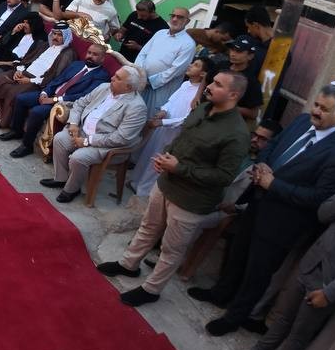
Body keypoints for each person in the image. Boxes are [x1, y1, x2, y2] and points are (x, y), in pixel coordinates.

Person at [190, 86, 335, 337]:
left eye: (324, 109)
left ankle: (234, 317)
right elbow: (272, 145)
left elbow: (318, 197)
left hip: (283, 222)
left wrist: (273, 184)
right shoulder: (301, 121)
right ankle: (220, 294)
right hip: (258, 203)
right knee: (237, 253)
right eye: (316, 104)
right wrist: (262, 164)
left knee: (257, 272)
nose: (316, 111)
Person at [224, 145, 335, 350]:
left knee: (299, 334)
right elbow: (323, 214)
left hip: (331, 281)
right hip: (310, 262)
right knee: (283, 317)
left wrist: (330, 293)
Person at [96, 70, 250, 306]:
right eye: (212, 81)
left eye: (218, 84)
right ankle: (128, 264)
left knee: (171, 248)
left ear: (233, 95)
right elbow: (182, 138)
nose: (209, 86)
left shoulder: (236, 133)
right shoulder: (202, 108)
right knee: (148, 228)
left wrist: (179, 168)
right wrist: (167, 157)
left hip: (191, 199)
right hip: (166, 183)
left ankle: (152, 289)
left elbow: (224, 176)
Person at [40, 65, 149, 203]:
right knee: (60, 139)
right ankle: (61, 178)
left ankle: (72, 189)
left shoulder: (137, 107)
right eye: (114, 75)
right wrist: (73, 124)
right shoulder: (104, 87)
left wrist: (87, 141)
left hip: (105, 145)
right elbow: (80, 103)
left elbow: (121, 138)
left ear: (128, 87)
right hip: (81, 131)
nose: (112, 78)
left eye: (117, 78)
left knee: (78, 158)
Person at [1, 43, 111, 158]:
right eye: (89, 53)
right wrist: (44, 93)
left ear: (102, 59)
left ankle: (26, 146)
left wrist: (54, 99)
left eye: (95, 55)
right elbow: (58, 80)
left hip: (64, 103)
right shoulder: (77, 65)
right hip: (51, 94)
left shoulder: (102, 76)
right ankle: (16, 131)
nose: (90, 56)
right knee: (21, 98)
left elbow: (84, 96)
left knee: (36, 112)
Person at [129, 57, 210, 197]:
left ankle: (144, 191)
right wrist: (163, 111)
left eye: (196, 65)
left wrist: (163, 122)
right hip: (162, 127)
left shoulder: (201, 95)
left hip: (174, 132)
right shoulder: (185, 84)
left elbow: (187, 118)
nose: (190, 65)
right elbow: (171, 101)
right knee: (148, 154)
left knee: (159, 159)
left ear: (203, 74)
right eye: (192, 63)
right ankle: (135, 182)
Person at [0, 23, 75, 127]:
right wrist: (20, 70)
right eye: (54, 34)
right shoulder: (46, 45)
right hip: (25, 72)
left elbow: (55, 77)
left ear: (66, 36)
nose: (55, 37)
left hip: (37, 81)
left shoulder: (67, 54)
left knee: (12, 92)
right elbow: (29, 60)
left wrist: (30, 80)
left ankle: (2, 121)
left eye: (59, 35)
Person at [134, 7, 197, 114]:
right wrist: (139, 73)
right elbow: (142, 54)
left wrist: (150, 82)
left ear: (187, 21)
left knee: (150, 117)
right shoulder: (160, 33)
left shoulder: (188, 44)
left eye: (180, 17)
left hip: (161, 90)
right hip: (141, 82)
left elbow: (176, 70)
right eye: (173, 16)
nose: (175, 19)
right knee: (133, 113)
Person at [224, 35, 266, 123]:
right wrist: (197, 97)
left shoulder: (251, 81)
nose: (232, 54)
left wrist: (229, 107)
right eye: (232, 49)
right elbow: (207, 78)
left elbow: (254, 113)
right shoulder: (222, 65)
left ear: (250, 56)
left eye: (238, 51)